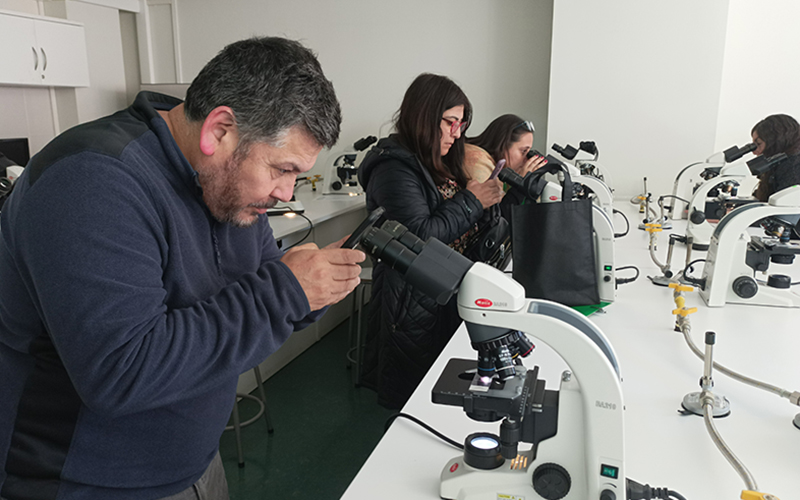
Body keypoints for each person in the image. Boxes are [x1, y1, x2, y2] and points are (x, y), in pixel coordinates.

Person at [0, 37, 365, 500]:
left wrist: (312, 290)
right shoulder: (92, 179)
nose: (286, 192)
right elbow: (122, 373)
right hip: (88, 483)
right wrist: (285, 293)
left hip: (193, 465)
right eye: (281, 168)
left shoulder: (228, 187)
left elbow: (261, 290)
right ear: (219, 130)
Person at [357, 73, 505, 409]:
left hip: (444, 297)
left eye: (461, 124)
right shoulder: (393, 169)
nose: (458, 132)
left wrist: (487, 204)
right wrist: (473, 201)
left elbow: (460, 221)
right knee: (418, 404)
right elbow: (418, 239)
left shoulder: (438, 162)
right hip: (412, 306)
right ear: (425, 116)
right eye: (450, 122)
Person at [464, 113, 547, 183]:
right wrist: (519, 181)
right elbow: (494, 201)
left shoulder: (499, 169)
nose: (526, 160)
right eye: (523, 151)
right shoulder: (477, 160)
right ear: (503, 144)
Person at [751, 114, 800, 201]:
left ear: (776, 143)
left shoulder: (794, 168)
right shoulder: (779, 167)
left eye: (758, 144)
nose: (754, 152)